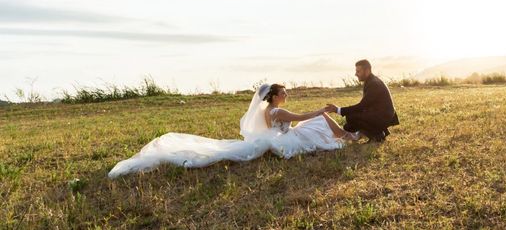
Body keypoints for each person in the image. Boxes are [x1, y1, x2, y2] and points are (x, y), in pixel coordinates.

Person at [108, 83, 352, 178]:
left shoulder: (268, 110)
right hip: (285, 139)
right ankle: (347, 136)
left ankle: (346, 135)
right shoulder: (278, 112)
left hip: (278, 136)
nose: (287, 95)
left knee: (318, 120)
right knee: (318, 119)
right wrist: (323, 109)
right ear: (276, 97)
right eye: (285, 93)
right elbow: (302, 116)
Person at [325, 59, 399, 143]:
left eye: (358, 71)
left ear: (367, 71)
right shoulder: (371, 81)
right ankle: (379, 132)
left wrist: (338, 110)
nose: (356, 74)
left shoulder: (374, 83)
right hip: (382, 114)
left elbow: (362, 106)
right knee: (350, 122)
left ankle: (377, 136)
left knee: (351, 117)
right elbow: (366, 105)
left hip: (384, 117)